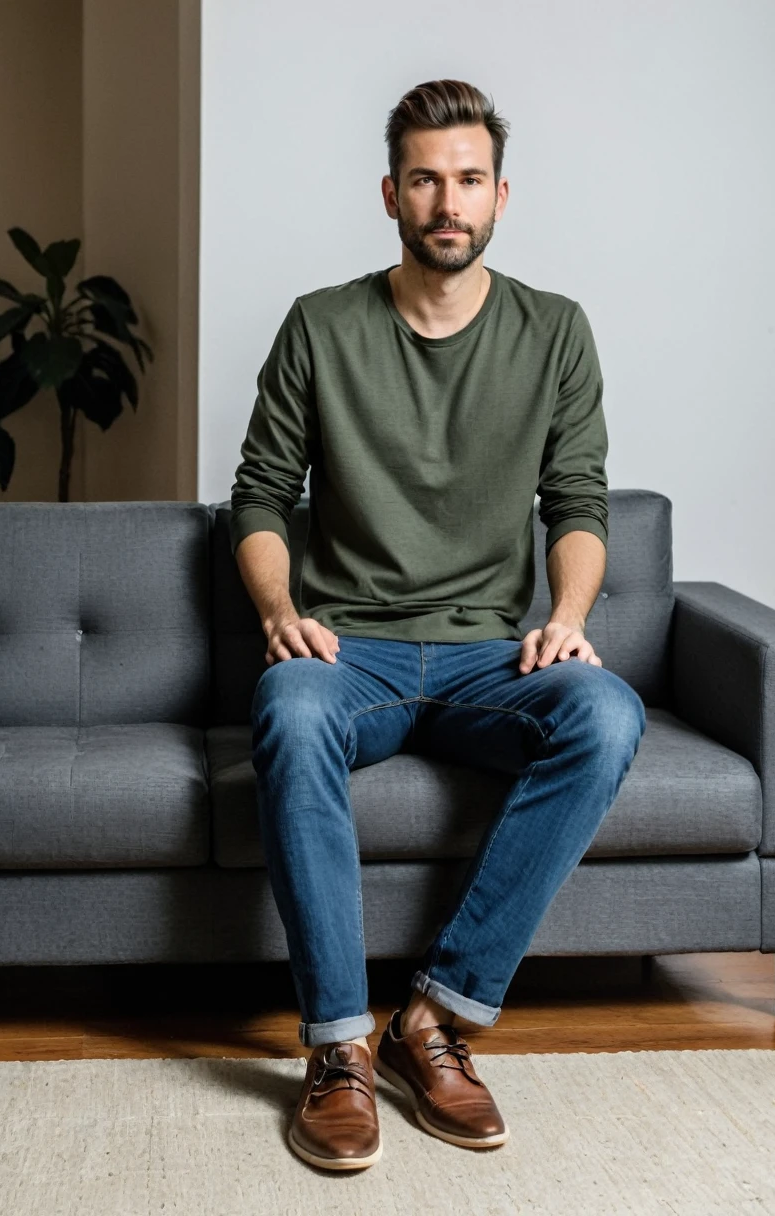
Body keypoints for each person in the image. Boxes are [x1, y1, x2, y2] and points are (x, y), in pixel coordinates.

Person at [229, 78, 646, 1171]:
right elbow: (261, 493)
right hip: (348, 648)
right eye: (425, 179)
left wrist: (564, 619)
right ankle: (334, 1051)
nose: (446, 201)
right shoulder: (322, 323)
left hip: (486, 656)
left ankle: (436, 1016)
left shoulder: (555, 329)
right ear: (390, 193)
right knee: (286, 703)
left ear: (500, 196)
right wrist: (281, 612)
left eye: (467, 179)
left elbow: (579, 503)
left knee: (604, 713)